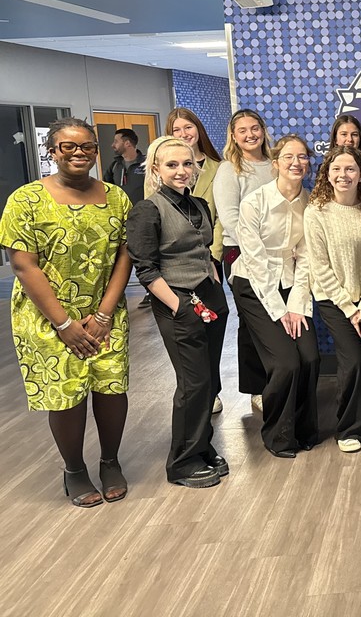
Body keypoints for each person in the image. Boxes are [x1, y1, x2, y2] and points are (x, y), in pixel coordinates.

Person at [0, 118, 132, 506]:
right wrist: (63, 323)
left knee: (111, 387)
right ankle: (74, 468)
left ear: (96, 150)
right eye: (67, 147)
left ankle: (110, 461)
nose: (78, 153)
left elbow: (125, 255)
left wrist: (105, 314)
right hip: (47, 317)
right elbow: (23, 265)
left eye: (87, 146)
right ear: (52, 151)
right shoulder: (26, 200)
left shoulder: (116, 197)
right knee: (65, 394)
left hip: (105, 311)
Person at [127, 136, 229, 489]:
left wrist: (214, 280)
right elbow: (146, 269)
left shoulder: (198, 203)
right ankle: (182, 462)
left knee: (210, 381)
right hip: (178, 301)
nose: (181, 171)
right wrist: (176, 304)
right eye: (172, 165)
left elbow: (203, 249)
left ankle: (201, 446)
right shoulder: (147, 210)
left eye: (187, 164)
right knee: (193, 383)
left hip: (211, 297)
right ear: (155, 168)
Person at [230, 135, 320, 458]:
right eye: (289, 157)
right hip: (253, 286)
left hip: (291, 281)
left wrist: (296, 306)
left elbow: (307, 257)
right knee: (285, 363)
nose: (297, 163)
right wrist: (279, 310)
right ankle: (278, 435)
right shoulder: (254, 203)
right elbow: (254, 263)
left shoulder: (309, 202)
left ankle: (305, 429)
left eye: (303, 158)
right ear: (276, 163)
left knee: (310, 357)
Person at [305, 145, 361, 453]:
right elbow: (319, 266)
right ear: (327, 173)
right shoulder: (316, 211)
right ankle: (350, 427)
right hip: (333, 300)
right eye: (337, 169)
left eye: (350, 169)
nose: (343, 175)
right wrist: (349, 308)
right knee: (352, 362)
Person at [164, 107, 226, 414]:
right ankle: (195, 391)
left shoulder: (217, 167)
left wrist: (213, 258)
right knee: (189, 332)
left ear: (198, 129)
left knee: (214, 327)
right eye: (176, 130)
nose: (184, 134)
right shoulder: (163, 173)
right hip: (176, 269)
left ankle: (212, 389)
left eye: (188, 127)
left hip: (211, 260)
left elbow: (222, 216)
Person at [212, 109, 274, 413]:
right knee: (252, 321)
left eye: (255, 128)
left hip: (279, 253)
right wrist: (258, 247)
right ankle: (256, 387)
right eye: (242, 131)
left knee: (277, 315)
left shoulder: (276, 163)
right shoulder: (230, 169)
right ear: (233, 136)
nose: (250, 135)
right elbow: (230, 217)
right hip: (242, 253)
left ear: (263, 130)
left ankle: (278, 378)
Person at [103, 127, 146, 205]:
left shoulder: (147, 163)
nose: (112, 145)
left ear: (127, 143)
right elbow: (106, 189)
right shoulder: (114, 166)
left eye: (116, 142)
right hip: (122, 214)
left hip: (144, 212)